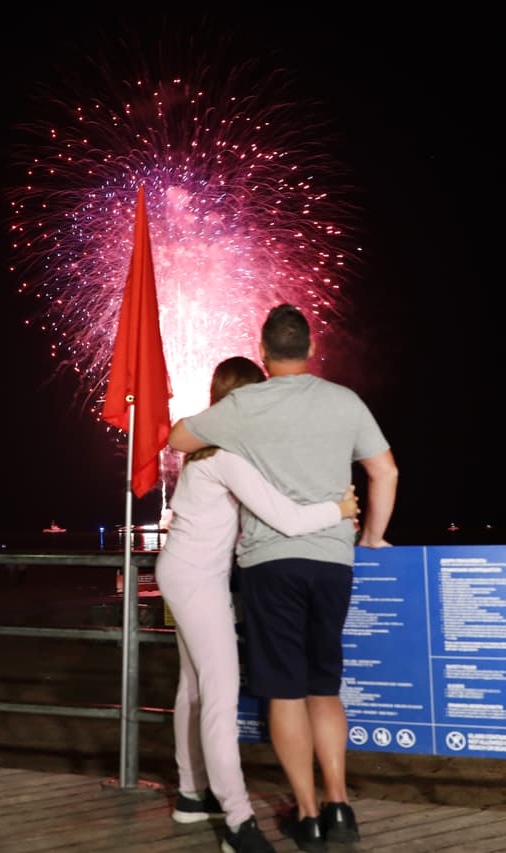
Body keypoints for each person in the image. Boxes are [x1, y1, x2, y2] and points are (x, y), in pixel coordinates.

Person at [169, 304, 399, 852]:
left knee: (285, 692)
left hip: (270, 564)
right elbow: (385, 470)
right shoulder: (345, 400)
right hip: (334, 561)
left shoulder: (244, 406)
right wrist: (371, 536)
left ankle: (309, 815)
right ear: (313, 347)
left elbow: (178, 438)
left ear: (264, 352)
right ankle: (340, 806)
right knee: (325, 686)